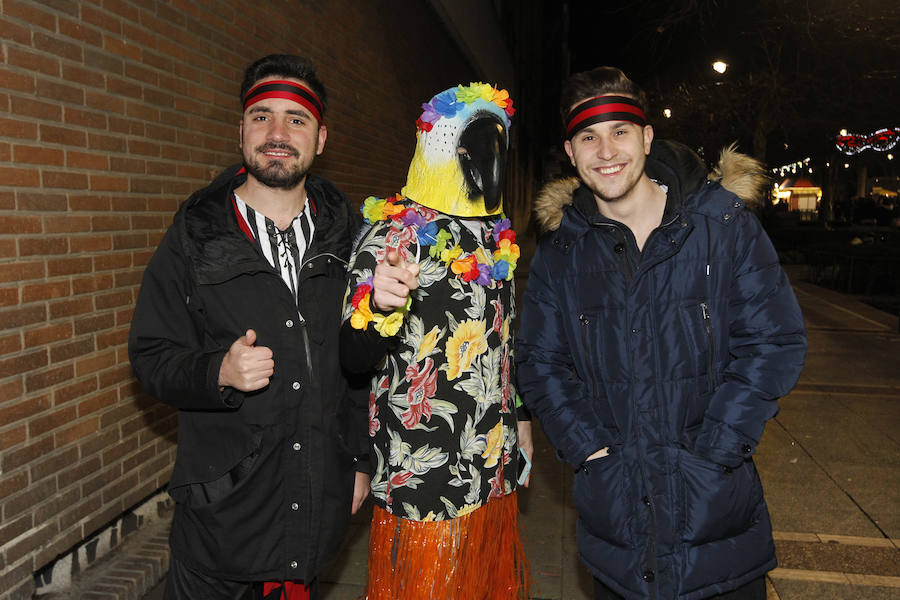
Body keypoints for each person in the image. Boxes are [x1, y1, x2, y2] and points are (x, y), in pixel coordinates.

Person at [515, 66, 807, 599]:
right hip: (618, 533)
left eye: (620, 131)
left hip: (716, 527)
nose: (606, 151)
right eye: (589, 137)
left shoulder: (721, 225)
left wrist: (716, 448)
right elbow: (539, 361)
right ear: (571, 151)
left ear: (647, 137)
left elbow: (774, 340)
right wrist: (590, 451)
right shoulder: (563, 252)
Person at [128, 54, 369, 600]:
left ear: (321, 137)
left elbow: (359, 363)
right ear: (241, 131)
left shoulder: (350, 235)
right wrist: (219, 371)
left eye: (296, 119)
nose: (278, 133)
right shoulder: (197, 232)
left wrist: (357, 459)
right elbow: (150, 355)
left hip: (314, 508)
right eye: (262, 116)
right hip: (224, 522)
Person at [340, 83, 530, 599]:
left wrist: (524, 421)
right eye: (471, 143)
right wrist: (378, 308)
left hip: (490, 461)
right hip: (424, 469)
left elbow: (505, 342)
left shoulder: (496, 237)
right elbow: (352, 360)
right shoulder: (392, 235)